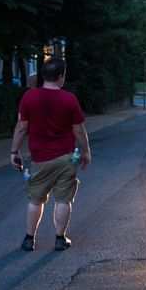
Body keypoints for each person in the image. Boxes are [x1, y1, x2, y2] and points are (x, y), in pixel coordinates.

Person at [10, 57, 92, 251]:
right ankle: (60, 238)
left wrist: (14, 151)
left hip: (40, 159)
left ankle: (29, 239)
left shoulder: (29, 97)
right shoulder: (69, 99)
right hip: (66, 158)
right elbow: (79, 130)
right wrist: (86, 152)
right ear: (61, 76)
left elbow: (22, 127)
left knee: (35, 199)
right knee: (63, 199)